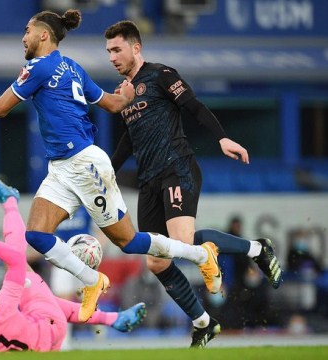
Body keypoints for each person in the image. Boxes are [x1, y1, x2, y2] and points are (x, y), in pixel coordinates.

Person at [0, 8, 221, 323]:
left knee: (129, 242)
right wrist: (124, 98)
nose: (23, 37)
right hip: (62, 168)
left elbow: (0, 108)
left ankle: (202, 254)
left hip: (85, 164)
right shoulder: (73, 67)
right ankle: (93, 280)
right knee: (36, 236)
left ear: (43, 34)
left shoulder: (37, 67)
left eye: (27, 31)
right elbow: (110, 104)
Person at [103, 20, 284, 347]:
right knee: (156, 260)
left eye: (117, 49)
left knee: (182, 240)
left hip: (176, 168)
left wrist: (222, 138)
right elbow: (130, 139)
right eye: (109, 51)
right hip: (148, 182)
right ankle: (204, 322)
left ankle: (257, 249)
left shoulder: (161, 74)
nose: (112, 57)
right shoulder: (125, 93)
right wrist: (107, 171)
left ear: (136, 47)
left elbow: (194, 106)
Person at [0, 177, 146, 352]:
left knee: (46, 298)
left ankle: (112, 319)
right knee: (17, 261)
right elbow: (15, 259)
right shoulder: (2, 309)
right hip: (50, 326)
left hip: (45, 348)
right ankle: (9, 201)